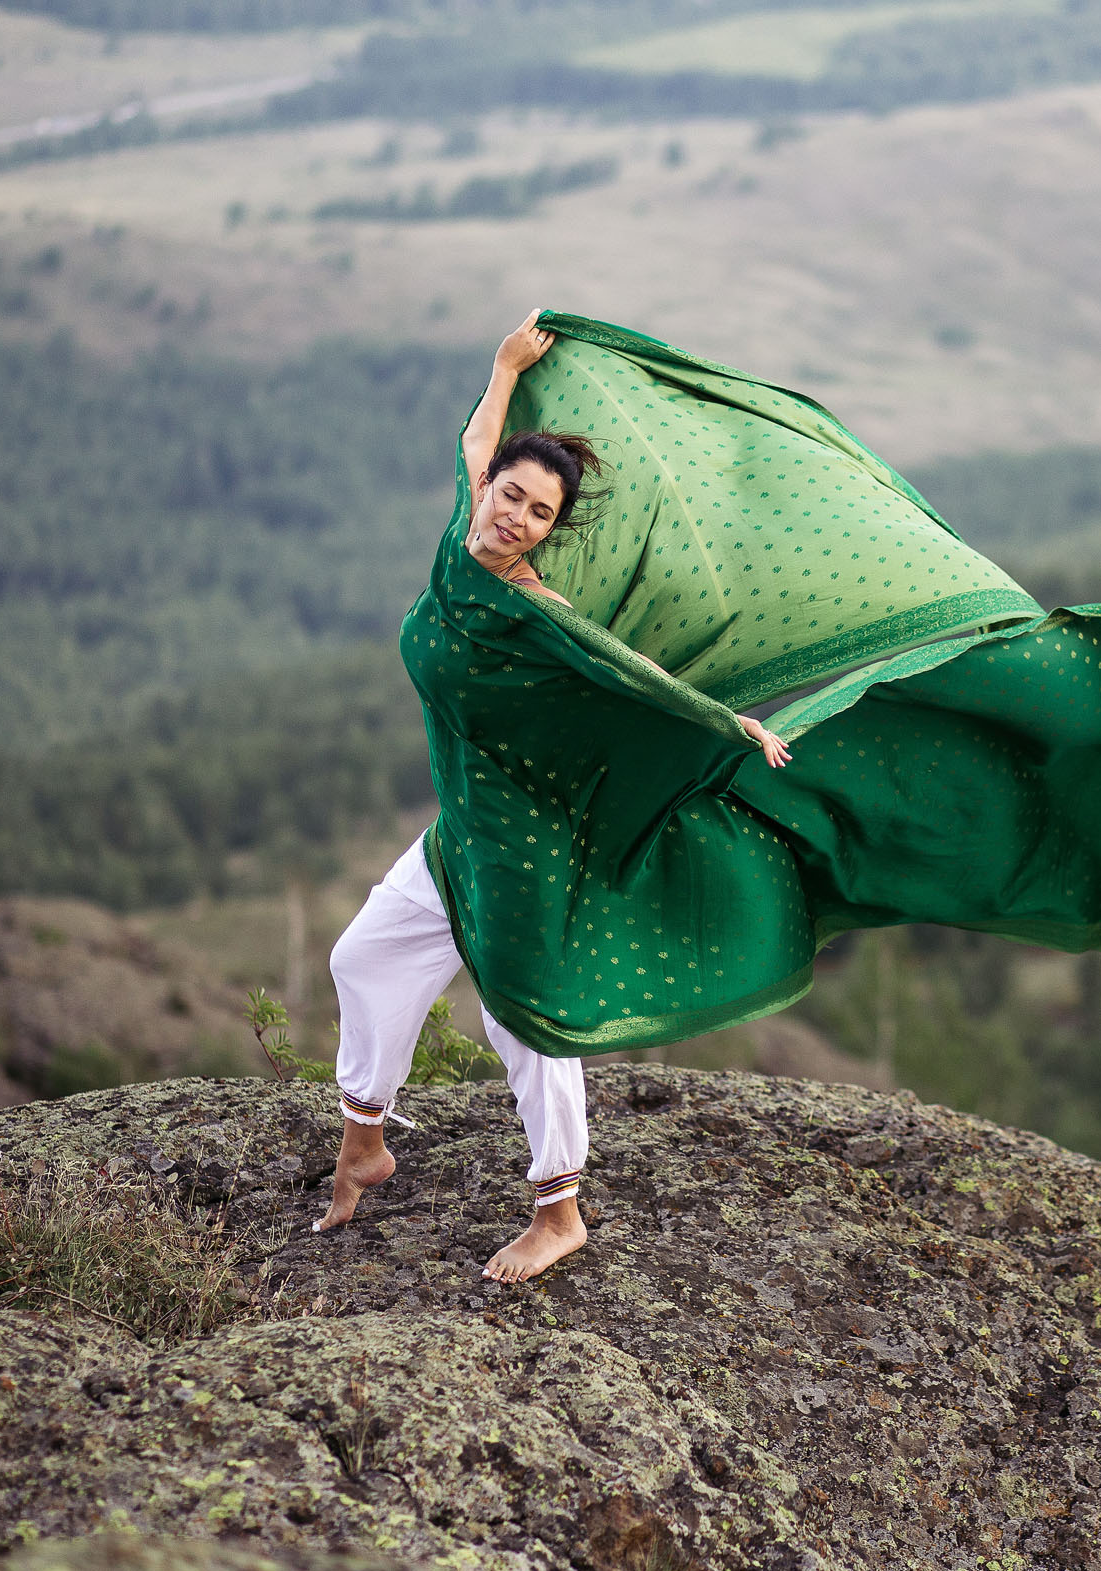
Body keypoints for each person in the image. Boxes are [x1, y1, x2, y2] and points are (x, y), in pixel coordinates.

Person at [316, 311, 790, 1282]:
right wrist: (502, 368)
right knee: (363, 956)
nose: (517, 517)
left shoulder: (536, 608)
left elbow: (629, 675)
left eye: (539, 513)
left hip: (522, 841)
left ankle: (559, 1211)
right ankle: (365, 1144)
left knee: (524, 1016)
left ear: (549, 531)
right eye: (512, 495)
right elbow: (475, 439)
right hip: (464, 829)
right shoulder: (461, 540)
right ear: (488, 489)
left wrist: (726, 722)